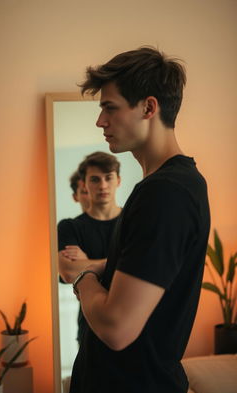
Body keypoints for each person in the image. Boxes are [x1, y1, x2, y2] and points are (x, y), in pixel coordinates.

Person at [59, 46, 210, 393]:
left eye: (109, 108)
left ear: (149, 107)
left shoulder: (166, 193)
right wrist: (100, 269)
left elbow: (116, 328)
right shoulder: (171, 186)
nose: (100, 121)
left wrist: (80, 274)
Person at [58, 151, 122, 343]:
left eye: (108, 178)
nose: (102, 185)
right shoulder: (69, 227)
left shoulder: (135, 221)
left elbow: (144, 265)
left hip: (131, 318)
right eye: (95, 179)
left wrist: (87, 264)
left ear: (118, 181)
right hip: (89, 325)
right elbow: (69, 272)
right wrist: (119, 261)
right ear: (84, 184)